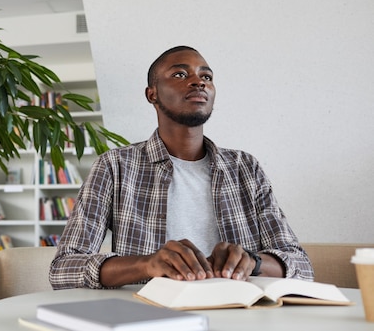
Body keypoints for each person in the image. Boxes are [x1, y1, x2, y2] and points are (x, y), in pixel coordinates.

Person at [49, 46, 313, 289]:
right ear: (152, 94)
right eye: (179, 74)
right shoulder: (115, 166)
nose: (199, 81)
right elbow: (63, 269)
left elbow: (301, 266)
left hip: (240, 313)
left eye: (206, 77)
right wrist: (147, 264)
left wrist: (253, 262)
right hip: (149, 314)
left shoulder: (245, 167)